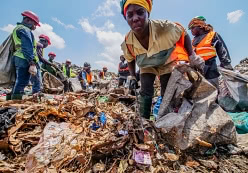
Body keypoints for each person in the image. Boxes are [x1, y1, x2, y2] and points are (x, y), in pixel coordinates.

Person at [120, 0, 204, 119]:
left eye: (140, 12)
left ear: (147, 13)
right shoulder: (128, 41)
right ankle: (144, 121)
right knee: (145, 91)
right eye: (130, 15)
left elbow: (183, 33)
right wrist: (133, 76)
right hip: (146, 65)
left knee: (167, 93)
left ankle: (165, 121)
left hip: (166, 61)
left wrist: (192, 56)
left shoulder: (165, 28)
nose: (135, 18)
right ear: (126, 18)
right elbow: (130, 59)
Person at [188, 16, 233, 88]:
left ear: (200, 26)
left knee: (213, 91)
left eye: (192, 28)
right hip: (197, 71)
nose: (191, 31)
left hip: (210, 69)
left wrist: (226, 64)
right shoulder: (192, 41)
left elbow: (222, 50)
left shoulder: (212, 35)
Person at [11, 11, 41, 100]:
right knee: (22, 81)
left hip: (19, 57)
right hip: (24, 58)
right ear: (28, 20)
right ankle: (15, 101)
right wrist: (31, 62)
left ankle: (12, 99)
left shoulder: (17, 28)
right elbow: (27, 47)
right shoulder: (24, 29)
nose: (34, 27)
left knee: (18, 80)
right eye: (34, 24)